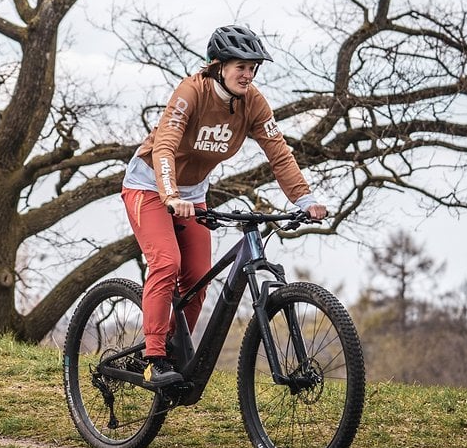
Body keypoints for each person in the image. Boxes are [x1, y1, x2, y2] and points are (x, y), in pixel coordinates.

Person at [121, 25, 329, 387]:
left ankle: (174, 349)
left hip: (192, 193)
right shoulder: (191, 91)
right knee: (167, 261)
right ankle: (153, 357)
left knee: (198, 277)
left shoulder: (253, 102)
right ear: (217, 65)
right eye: (240, 67)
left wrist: (304, 198)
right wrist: (170, 194)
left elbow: (278, 153)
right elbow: (165, 146)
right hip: (150, 186)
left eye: (253, 68)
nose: (248, 75)